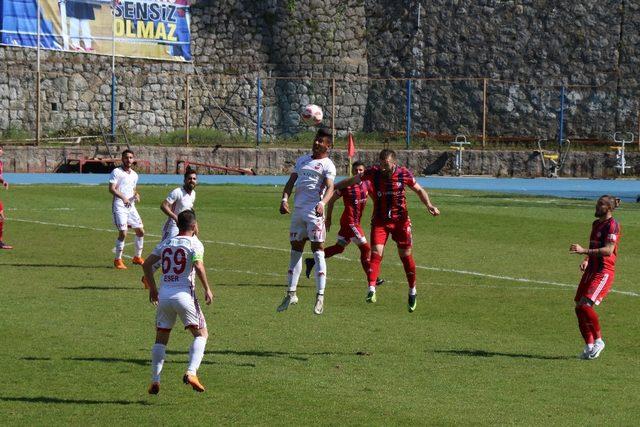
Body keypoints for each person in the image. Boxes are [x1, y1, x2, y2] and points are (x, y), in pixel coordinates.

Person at [335, 149, 440, 312]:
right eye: (381, 164)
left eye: (386, 165)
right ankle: (371, 289)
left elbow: (419, 189)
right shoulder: (373, 173)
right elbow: (351, 181)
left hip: (401, 222)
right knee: (376, 253)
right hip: (380, 221)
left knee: (405, 257)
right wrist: (331, 188)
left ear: (394, 163)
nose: (383, 168)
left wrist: (429, 205)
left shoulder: (404, 173)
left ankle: (412, 291)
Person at [142, 209, 213, 394]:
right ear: (194, 225)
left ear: (178, 225)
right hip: (184, 296)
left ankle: (155, 380)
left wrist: (153, 289)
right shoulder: (195, 243)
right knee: (201, 335)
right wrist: (207, 288)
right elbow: (198, 265)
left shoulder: (167, 242)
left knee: (161, 338)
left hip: (164, 296)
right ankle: (191, 372)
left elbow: (146, 264)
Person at [277, 127, 336, 315]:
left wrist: (323, 203)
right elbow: (290, 182)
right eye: (316, 140)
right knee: (295, 250)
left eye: (321, 141)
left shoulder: (328, 165)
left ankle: (320, 296)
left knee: (318, 250)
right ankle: (291, 293)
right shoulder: (302, 160)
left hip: (314, 213)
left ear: (328, 146)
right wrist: (284, 199)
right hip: (298, 213)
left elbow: (330, 188)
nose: (316, 143)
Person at [304, 161, 383, 286]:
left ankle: (311, 261)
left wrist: (376, 214)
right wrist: (328, 218)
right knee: (366, 249)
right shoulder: (347, 186)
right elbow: (331, 201)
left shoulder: (367, 184)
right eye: (356, 170)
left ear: (364, 171)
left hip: (354, 223)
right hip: (350, 223)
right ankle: (372, 277)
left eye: (361, 170)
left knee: (339, 248)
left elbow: (375, 200)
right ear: (352, 172)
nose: (358, 172)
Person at [569, 195, 621, 360]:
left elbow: (608, 250)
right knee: (579, 306)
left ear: (608, 208)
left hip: (603, 271)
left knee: (585, 305)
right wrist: (586, 259)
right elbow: (594, 246)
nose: (596, 207)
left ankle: (599, 341)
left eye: (600, 205)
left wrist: (583, 251)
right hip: (591, 269)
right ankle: (589, 345)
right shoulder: (596, 223)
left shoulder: (613, 225)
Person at [142, 168, 198, 289]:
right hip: (172, 227)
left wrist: (195, 225)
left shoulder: (192, 194)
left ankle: (156, 276)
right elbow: (164, 205)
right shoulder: (177, 192)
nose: (192, 181)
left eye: (194, 179)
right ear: (184, 180)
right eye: (189, 178)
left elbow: (191, 209)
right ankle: (148, 275)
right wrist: (175, 217)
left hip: (185, 227)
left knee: (172, 253)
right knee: (164, 252)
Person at [109, 149, 145, 269]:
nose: (128, 160)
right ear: (122, 159)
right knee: (123, 233)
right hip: (119, 205)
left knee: (140, 231)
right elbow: (111, 188)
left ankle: (137, 257)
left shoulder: (135, 175)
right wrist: (123, 197)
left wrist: (136, 194)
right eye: (126, 157)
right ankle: (118, 260)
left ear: (133, 159)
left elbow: (133, 189)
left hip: (131, 206)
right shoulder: (116, 172)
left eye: (130, 157)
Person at [0, 145, 12, 249]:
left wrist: (3, 181)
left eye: (1, 149)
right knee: (1, 216)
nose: (1, 151)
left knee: (1, 218)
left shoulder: (0, 163)